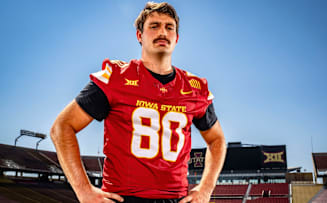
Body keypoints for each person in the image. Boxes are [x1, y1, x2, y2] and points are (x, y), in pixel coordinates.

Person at [50, 2, 226, 203]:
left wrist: (205, 189)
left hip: (175, 198)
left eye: (169, 27)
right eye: (154, 26)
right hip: (123, 197)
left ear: (176, 38)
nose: (163, 32)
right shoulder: (116, 77)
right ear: (139, 36)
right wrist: (84, 191)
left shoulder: (195, 87)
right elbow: (62, 127)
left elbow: (217, 140)